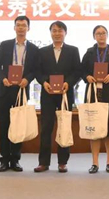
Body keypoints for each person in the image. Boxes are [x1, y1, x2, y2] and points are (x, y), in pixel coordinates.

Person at [0, 16, 41, 172]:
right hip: (5, 90)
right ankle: (4, 160)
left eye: (24, 25)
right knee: (4, 125)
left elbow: (35, 70)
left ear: (28, 28)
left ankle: (15, 159)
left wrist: (27, 79)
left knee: (18, 125)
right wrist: (3, 79)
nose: (21, 28)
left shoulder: (34, 49)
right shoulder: (5, 45)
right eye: (18, 25)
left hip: (21, 91)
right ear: (14, 28)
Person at [35, 21, 81, 173]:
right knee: (46, 128)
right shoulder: (42, 51)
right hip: (47, 94)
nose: (57, 33)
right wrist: (44, 82)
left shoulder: (73, 50)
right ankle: (43, 162)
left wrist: (68, 83)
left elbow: (77, 71)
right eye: (54, 30)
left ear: (65, 33)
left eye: (60, 30)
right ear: (50, 33)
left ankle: (62, 162)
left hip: (65, 94)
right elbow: (38, 72)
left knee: (64, 126)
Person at [81, 25, 109, 174]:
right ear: (94, 36)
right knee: (94, 127)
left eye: (103, 33)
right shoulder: (89, 53)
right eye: (98, 33)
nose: (101, 36)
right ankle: (95, 163)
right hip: (93, 93)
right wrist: (87, 77)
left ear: (107, 35)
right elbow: (82, 71)